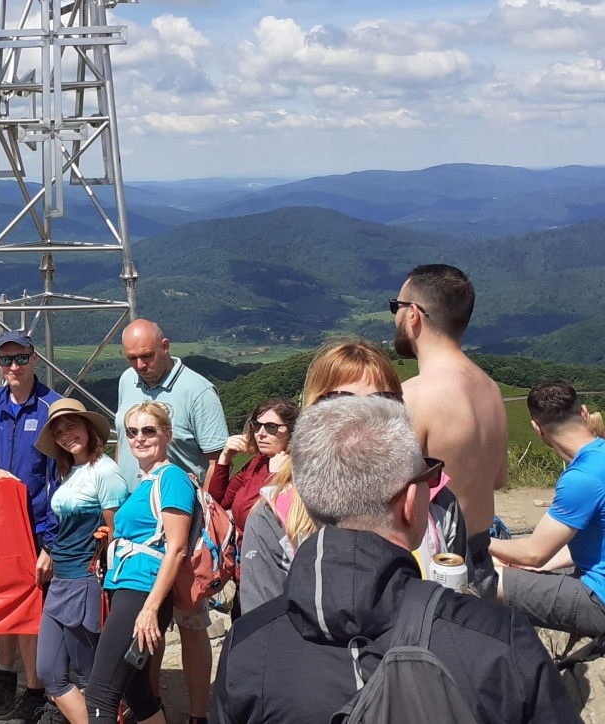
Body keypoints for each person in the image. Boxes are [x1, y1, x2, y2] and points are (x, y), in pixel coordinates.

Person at [212, 396, 580, 724]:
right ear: (409, 503)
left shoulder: (246, 646)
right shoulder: (498, 640)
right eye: (427, 477)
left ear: (308, 499)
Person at [237, 338, 469, 612]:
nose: (364, 419)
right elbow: (264, 628)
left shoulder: (437, 503)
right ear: (312, 416)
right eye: (342, 404)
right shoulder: (275, 519)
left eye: (383, 401)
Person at [112, 320, 225, 723]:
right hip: (137, 524)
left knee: (190, 622)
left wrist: (199, 526)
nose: (140, 365)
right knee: (149, 624)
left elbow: (216, 459)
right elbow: (122, 442)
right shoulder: (127, 381)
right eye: (132, 358)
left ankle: (198, 714)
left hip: (180, 525)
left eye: (147, 356)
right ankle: (150, 705)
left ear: (165, 345)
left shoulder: (198, 390)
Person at [491, 381, 605, 642]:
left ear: (537, 428)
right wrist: (531, 564)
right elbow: (594, 545)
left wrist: (479, 540)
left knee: (482, 578)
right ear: (584, 412)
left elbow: (534, 554)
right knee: (515, 567)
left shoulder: (582, 477)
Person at [394, 263, 508, 596]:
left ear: (413, 314)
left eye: (396, 307)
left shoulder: (413, 396)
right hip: (481, 558)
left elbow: (389, 497)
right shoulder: (491, 389)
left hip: (433, 562)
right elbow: (498, 479)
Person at [85, 401, 194, 724]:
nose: (139, 438)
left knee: (100, 695)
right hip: (130, 590)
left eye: (149, 431)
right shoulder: (147, 481)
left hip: (142, 594)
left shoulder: (172, 478)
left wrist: (149, 609)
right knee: (137, 694)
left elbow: (177, 548)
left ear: (167, 435)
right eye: (132, 432)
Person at [0, 331, 61, 723]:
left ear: (34, 359)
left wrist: (51, 544)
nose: (14, 366)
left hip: (38, 526)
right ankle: (10, 677)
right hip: (1, 524)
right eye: (6, 359)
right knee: (5, 604)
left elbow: (60, 479)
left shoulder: (52, 407)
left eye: (22, 358)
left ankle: (37, 689)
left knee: (33, 613)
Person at [34, 398, 126, 724]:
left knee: (89, 674)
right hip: (62, 578)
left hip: (86, 580)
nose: (65, 435)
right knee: (49, 670)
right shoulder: (68, 471)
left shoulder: (105, 471)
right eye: (58, 431)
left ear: (88, 427)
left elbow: (116, 531)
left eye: (71, 426)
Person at [207, 398, 295, 534]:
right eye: (257, 426)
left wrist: (275, 477)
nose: (261, 434)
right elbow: (218, 503)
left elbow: (271, 523)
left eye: (271, 427)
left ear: (292, 431)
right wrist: (224, 458)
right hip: (241, 545)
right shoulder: (257, 463)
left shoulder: (298, 470)